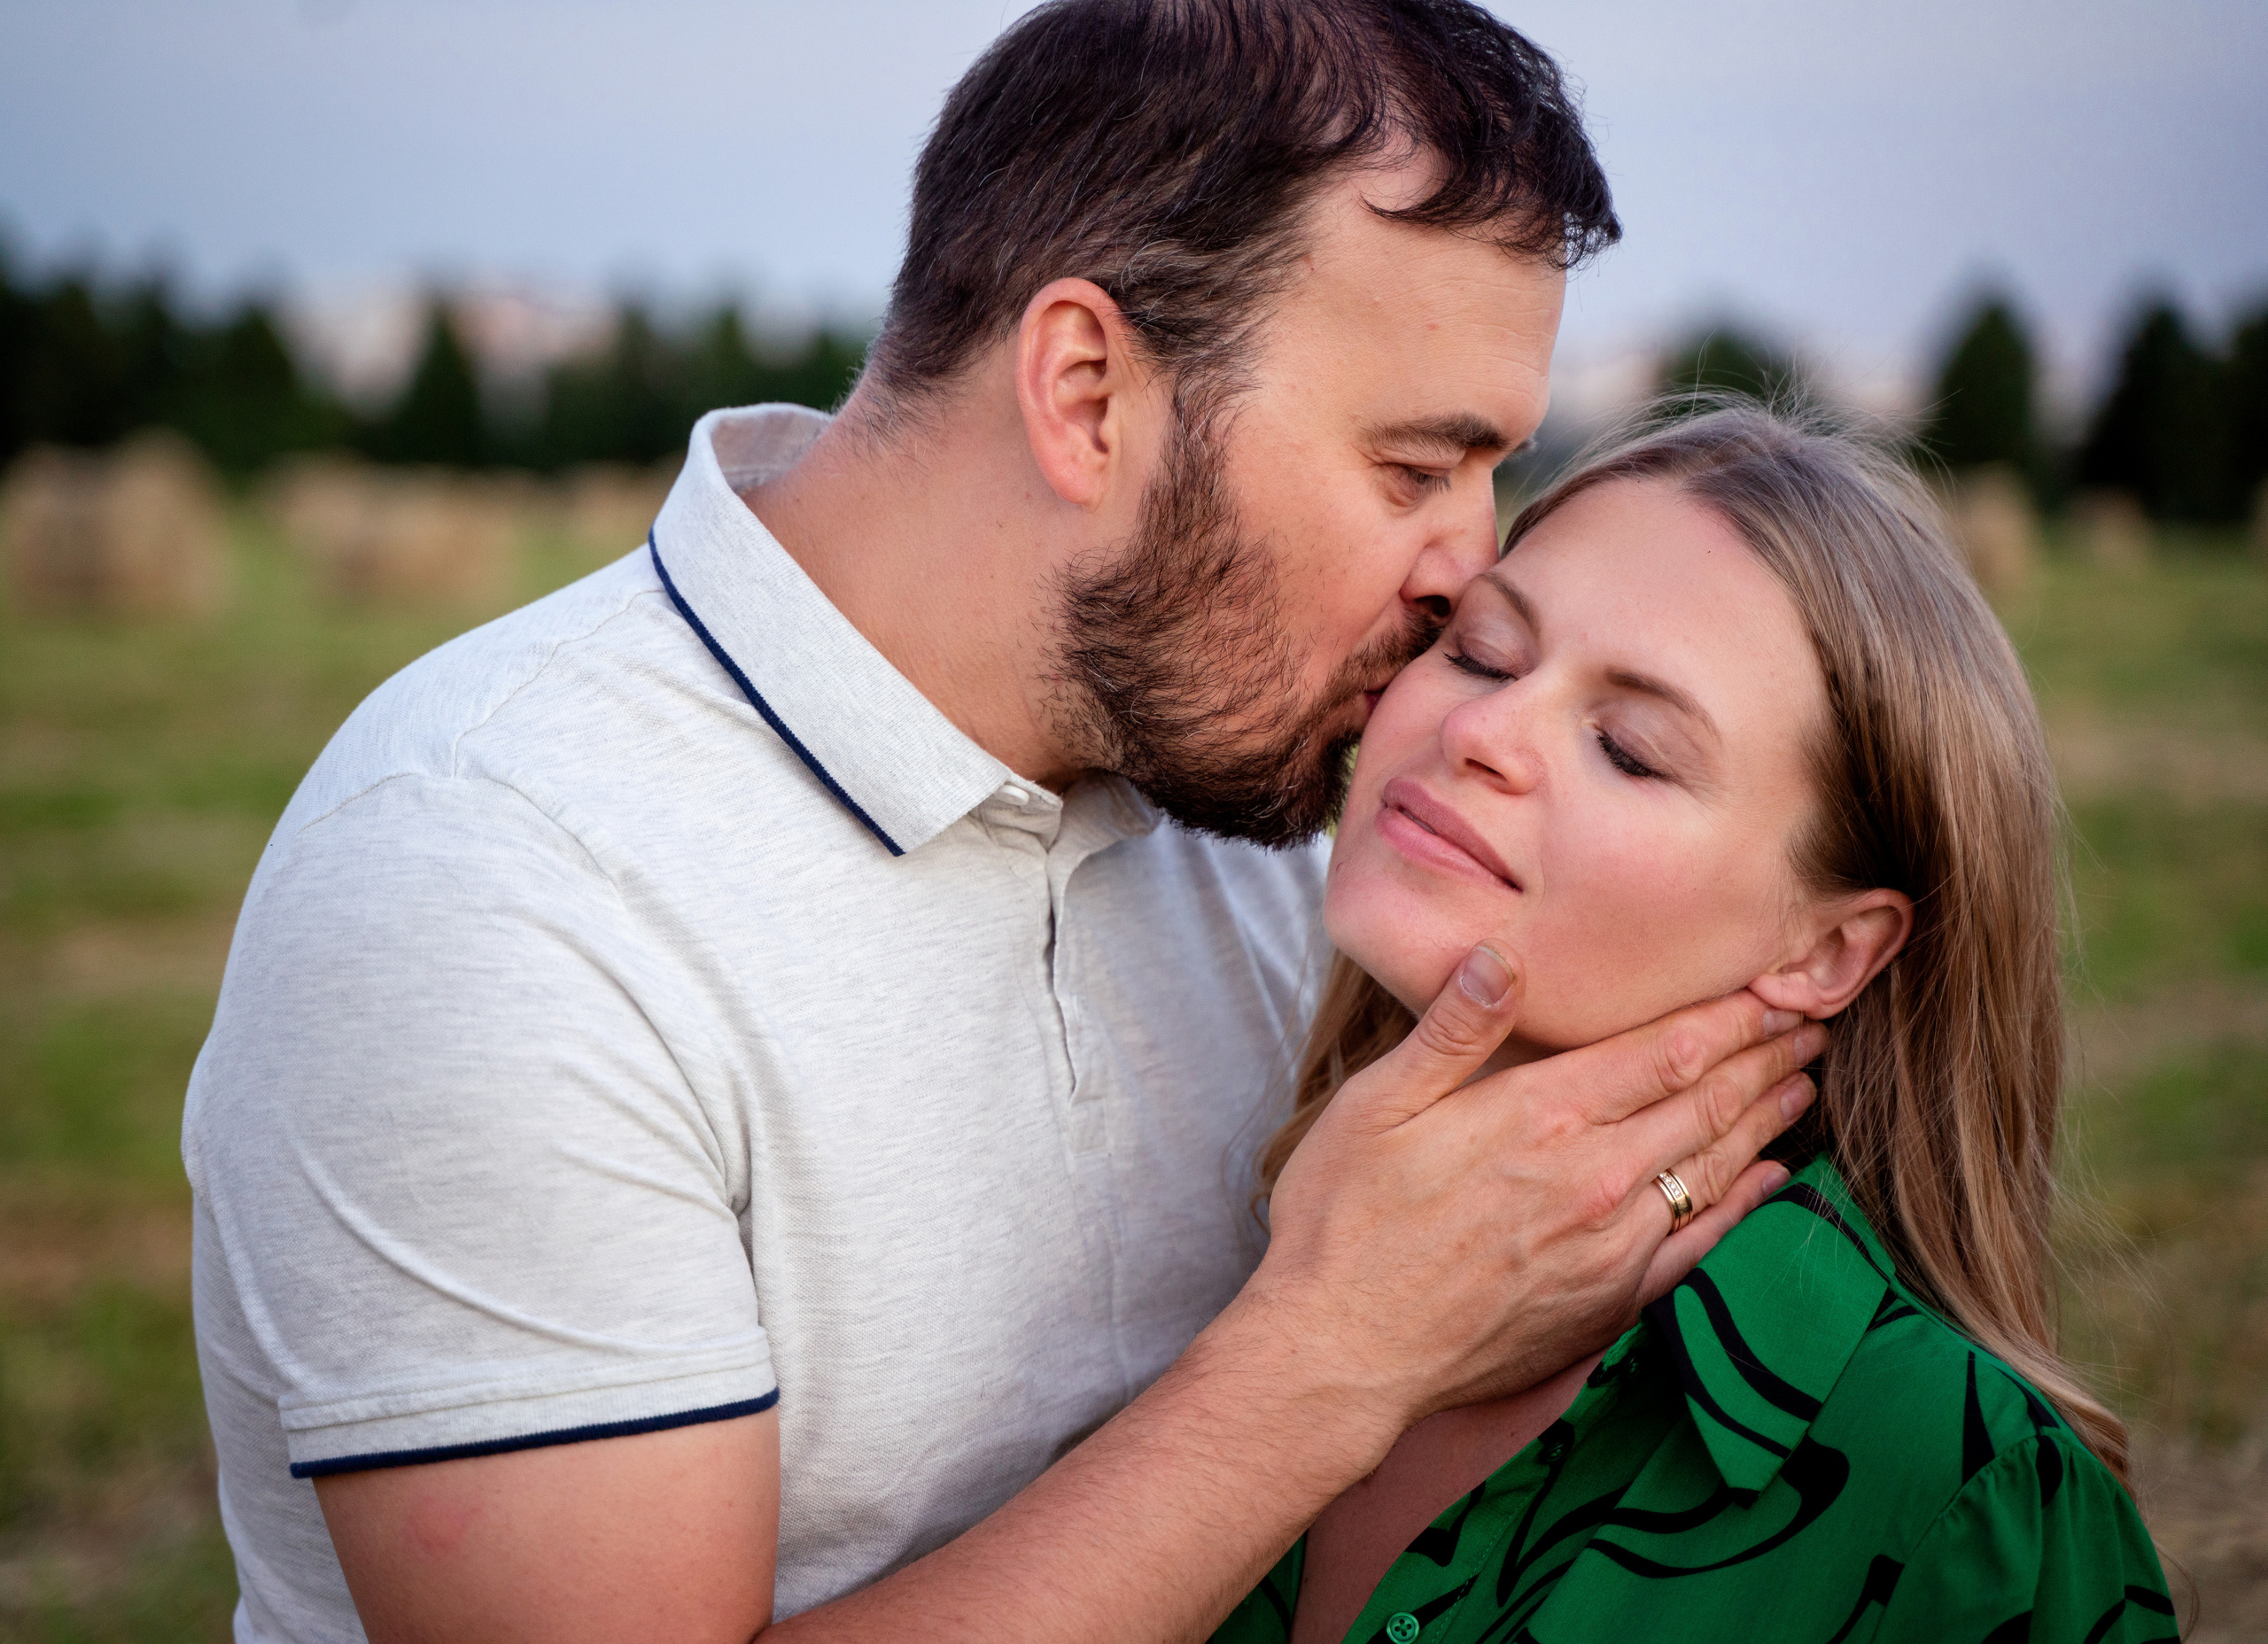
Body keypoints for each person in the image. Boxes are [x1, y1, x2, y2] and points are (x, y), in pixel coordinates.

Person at [183, 4, 1821, 1640]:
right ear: (1088, 392)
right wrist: (1339, 1351)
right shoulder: (491, 889)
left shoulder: (1247, 805)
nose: (1472, 567)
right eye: (1411, 469)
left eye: (1490, 475)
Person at [1211, 401, 2176, 1644]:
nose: (1479, 731)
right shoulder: (1241, 1241)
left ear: (1828, 951)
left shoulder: (1962, 1501)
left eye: (1628, 747)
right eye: (1484, 652)